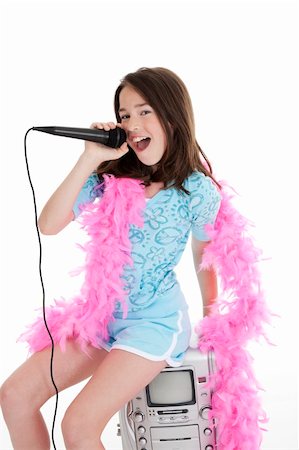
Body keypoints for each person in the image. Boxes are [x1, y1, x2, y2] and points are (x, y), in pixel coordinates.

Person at [0, 67, 221, 450]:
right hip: (102, 317)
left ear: (172, 115)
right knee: (15, 397)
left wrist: (216, 325)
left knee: (78, 424)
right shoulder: (111, 177)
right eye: (124, 115)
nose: (132, 123)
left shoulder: (197, 191)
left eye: (143, 110)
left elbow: (206, 258)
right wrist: (89, 158)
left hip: (154, 322)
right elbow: (48, 224)